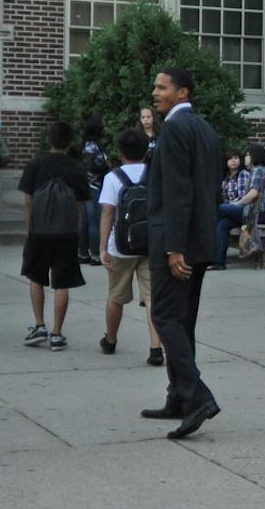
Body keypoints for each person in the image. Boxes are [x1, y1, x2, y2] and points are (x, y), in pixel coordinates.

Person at [144, 68, 224, 438]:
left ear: (182, 92)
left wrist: (174, 246)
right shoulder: (204, 128)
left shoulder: (176, 128)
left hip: (177, 242)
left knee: (164, 315)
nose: (155, 92)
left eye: (162, 87)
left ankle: (196, 396)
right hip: (200, 239)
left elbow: (178, 192)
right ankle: (178, 395)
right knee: (182, 319)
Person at [19, 121, 89, 350]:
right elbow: (79, 204)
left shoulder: (35, 165)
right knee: (62, 282)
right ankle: (57, 334)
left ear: (48, 140)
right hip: (67, 232)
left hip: (39, 231)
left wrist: (29, 228)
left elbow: (28, 201)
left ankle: (39, 325)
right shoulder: (77, 168)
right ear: (71, 142)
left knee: (36, 277)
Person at [98, 127, 163, 366]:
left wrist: (103, 247)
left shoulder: (113, 177)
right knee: (153, 297)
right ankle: (156, 347)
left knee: (116, 296)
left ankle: (111, 339)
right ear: (146, 150)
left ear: (119, 151)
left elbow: (107, 212)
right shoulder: (155, 173)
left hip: (121, 247)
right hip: (151, 244)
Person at [80, 116, 111, 266]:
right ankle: (95, 254)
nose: (106, 127)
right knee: (94, 221)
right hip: (94, 186)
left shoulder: (89, 144)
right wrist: (106, 166)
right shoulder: (92, 146)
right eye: (103, 125)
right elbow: (92, 166)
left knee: (86, 220)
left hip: (89, 185)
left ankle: (83, 252)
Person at [215, 151, 255, 269]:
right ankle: (219, 262)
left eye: (236, 158)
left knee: (212, 211)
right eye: (230, 159)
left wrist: (226, 207)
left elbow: (243, 198)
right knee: (222, 225)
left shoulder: (243, 174)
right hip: (232, 213)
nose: (233, 161)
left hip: (244, 210)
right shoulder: (226, 179)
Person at [241, 144, 265, 265]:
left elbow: (253, 194)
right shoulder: (262, 170)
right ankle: (220, 260)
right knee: (224, 222)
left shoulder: (257, 170)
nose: (245, 157)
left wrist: (236, 204)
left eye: (248, 154)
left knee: (222, 211)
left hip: (260, 213)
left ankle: (253, 246)